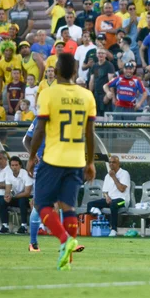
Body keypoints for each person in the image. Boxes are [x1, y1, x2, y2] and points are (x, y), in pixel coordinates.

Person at [27, 52, 96, 271]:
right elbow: (90, 132)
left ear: (55, 72)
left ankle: (65, 241)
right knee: (69, 207)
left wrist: (31, 156)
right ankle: (67, 259)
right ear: (75, 72)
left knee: (42, 205)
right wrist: (91, 162)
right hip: (76, 160)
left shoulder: (48, 94)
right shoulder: (87, 96)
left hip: (53, 158)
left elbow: (39, 129)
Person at [86, 156, 130, 237]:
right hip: (110, 200)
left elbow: (122, 189)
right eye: (110, 162)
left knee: (113, 204)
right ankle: (99, 214)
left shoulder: (124, 173)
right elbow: (105, 191)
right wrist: (107, 197)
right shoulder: (107, 175)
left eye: (113, 162)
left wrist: (113, 177)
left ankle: (113, 229)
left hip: (122, 200)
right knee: (90, 204)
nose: (111, 164)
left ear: (118, 163)